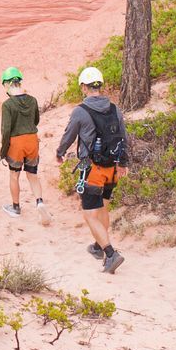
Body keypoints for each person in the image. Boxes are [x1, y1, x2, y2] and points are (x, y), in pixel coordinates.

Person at [51, 65, 129, 273]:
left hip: (91, 167)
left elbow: (69, 135)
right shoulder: (114, 108)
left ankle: (111, 254)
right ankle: (98, 246)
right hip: (112, 167)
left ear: (84, 87)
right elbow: (123, 136)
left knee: (89, 214)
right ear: (100, 86)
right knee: (103, 207)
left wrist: (59, 153)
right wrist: (123, 163)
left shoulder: (80, 111)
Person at [0, 67, 43, 217]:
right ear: (19, 82)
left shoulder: (7, 105)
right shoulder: (33, 100)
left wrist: (3, 152)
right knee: (32, 175)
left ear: (7, 84)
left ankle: (16, 207)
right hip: (32, 139)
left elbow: (5, 131)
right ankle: (40, 202)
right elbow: (36, 120)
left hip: (16, 143)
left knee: (14, 175)